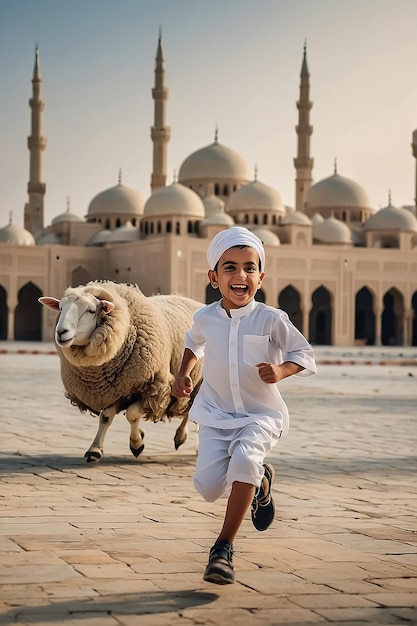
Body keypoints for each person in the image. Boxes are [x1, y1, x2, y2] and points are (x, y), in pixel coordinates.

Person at [171, 226, 316, 585]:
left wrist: (281, 369)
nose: (241, 276)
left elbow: (304, 354)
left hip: (260, 415)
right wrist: (182, 374)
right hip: (217, 414)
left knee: (246, 461)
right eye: (230, 267)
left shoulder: (271, 319)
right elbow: (194, 341)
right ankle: (261, 483)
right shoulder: (206, 317)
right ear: (213, 277)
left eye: (249, 268)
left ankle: (222, 548)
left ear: (261, 276)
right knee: (207, 488)